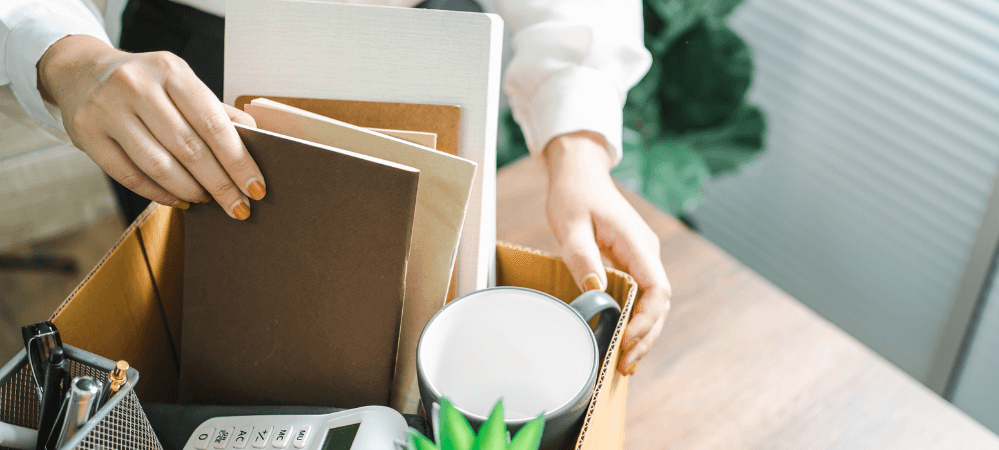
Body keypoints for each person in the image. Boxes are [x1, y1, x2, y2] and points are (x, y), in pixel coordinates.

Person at [0, 0, 670, 376]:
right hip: (193, 66)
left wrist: (577, 145)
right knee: (218, 340)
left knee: (425, 333)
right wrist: (63, 54)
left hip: (435, 51)